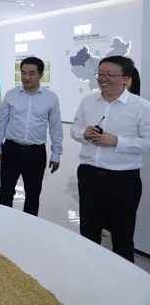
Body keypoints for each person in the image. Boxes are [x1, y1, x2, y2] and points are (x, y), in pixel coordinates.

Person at [70, 56, 150, 262]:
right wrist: (84, 133)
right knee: (88, 232)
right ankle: (89, 271)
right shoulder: (88, 102)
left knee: (122, 236)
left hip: (123, 180)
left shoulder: (142, 107)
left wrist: (117, 141)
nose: (103, 79)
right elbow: (75, 129)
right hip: (89, 175)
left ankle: (123, 278)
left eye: (110, 75)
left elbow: (148, 143)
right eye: (100, 74)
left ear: (126, 79)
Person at [0, 56, 63, 216]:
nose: (26, 77)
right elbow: (2, 123)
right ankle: (2, 223)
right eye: (23, 73)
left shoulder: (50, 98)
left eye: (31, 73)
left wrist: (56, 153)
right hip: (11, 150)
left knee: (33, 194)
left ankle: (29, 227)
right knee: (5, 191)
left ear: (40, 75)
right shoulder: (11, 95)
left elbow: (55, 127)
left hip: (35, 153)